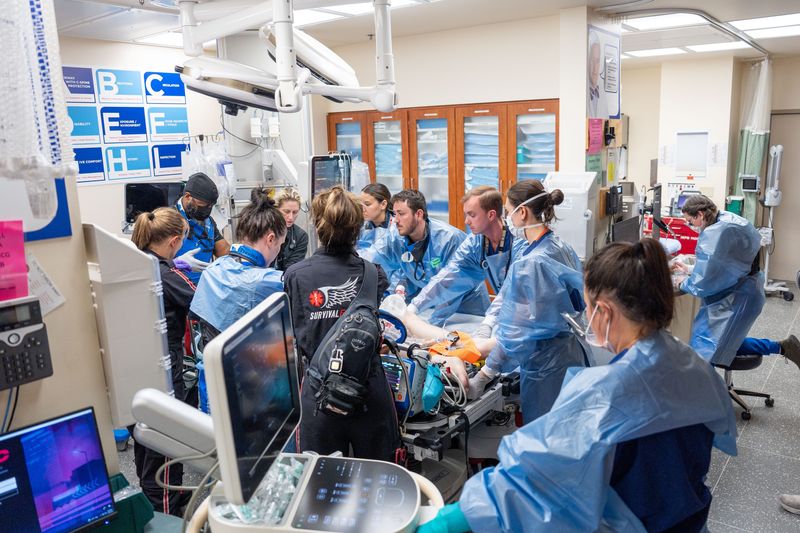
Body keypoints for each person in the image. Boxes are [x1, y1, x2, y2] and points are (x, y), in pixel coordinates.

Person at [418, 239, 738, 533]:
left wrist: (450, 520)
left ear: (605, 311)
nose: (585, 315)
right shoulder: (692, 364)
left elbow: (529, 482)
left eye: (586, 306)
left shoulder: (607, 396)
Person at [284, 186, 401, 462]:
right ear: (358, 229)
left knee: (319, 484)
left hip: (318, 394)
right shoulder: (374, 275)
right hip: (368, 392)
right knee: (378, 483)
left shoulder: (296, 276)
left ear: (317, 228)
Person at [467, 180, 587, 423]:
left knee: (546, 439)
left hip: (547, 368)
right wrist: (490, 320)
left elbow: (517, 334)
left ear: (522, 212)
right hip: (571, 356)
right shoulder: (556, 247)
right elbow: (514, 293)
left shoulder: (533, 262)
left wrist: (484, 375)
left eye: (509, 211)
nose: (508, 218)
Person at [675, 195, 800, 367]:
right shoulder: (726, 219)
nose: (690, 226)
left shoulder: (716, 232)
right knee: (721, 338)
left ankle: (705, 390)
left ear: (701, 215)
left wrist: (682, 282)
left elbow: (703, 283)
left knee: (709, 347)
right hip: (743, 286)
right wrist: (690, 270)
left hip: (740, 296)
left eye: (690, 221)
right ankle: (783, 347)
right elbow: (725, 264)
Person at [130, 207, 195, 515]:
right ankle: (167, 517)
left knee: (146, 450)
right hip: (166, 376)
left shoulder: (133, 265)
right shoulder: (169, 276)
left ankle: (155, 510)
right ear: (173, 241)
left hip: (135, 375)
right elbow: (204, 305)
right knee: (167, 457)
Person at [371, 189, 490, 327]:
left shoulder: (449, 239)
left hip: (467, 309)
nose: (395, 220)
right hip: (431, 305)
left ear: (419, 214)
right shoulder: (398, 238)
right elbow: (379, 262)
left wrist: (430, 324)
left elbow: (452, 285)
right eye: (394, 213)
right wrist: (398, 297)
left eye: (401, 214)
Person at [406, 186, 525, 322]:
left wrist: (490, 322)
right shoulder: (475, 244)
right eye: (466, 215)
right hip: (505, 316)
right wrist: (414, 307)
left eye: (472, 215)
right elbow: (449, 277)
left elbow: (517, 290)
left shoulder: (520, 242)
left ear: (491, 215)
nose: (466, 221)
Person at [190, 190, 286, 343]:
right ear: (270, 239)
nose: (278, 250)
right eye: (280, 244)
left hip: (207, 363)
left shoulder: (212, 270)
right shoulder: (271, 281)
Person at [174, 172, 231, 284]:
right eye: (204, 205)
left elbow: (224, 251)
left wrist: (241, 252)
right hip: (177, 289)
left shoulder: (208, 223)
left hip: (203, 288)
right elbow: (154, 264)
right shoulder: (168, 220)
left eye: (211, 206)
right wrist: (175, 263)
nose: (207, 209)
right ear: (188, 197)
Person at [271, 188, 309, 271]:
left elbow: (293, 267)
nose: (291, 217)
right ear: (276, 210)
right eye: (286, 211)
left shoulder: (301, 236)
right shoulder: (263, 230)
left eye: (295, 212)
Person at [356, 182, 393, 257]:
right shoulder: (361, 226)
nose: (362, 209)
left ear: (383, 204)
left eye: (367, 204)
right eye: (361, 204)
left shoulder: (395, 228)